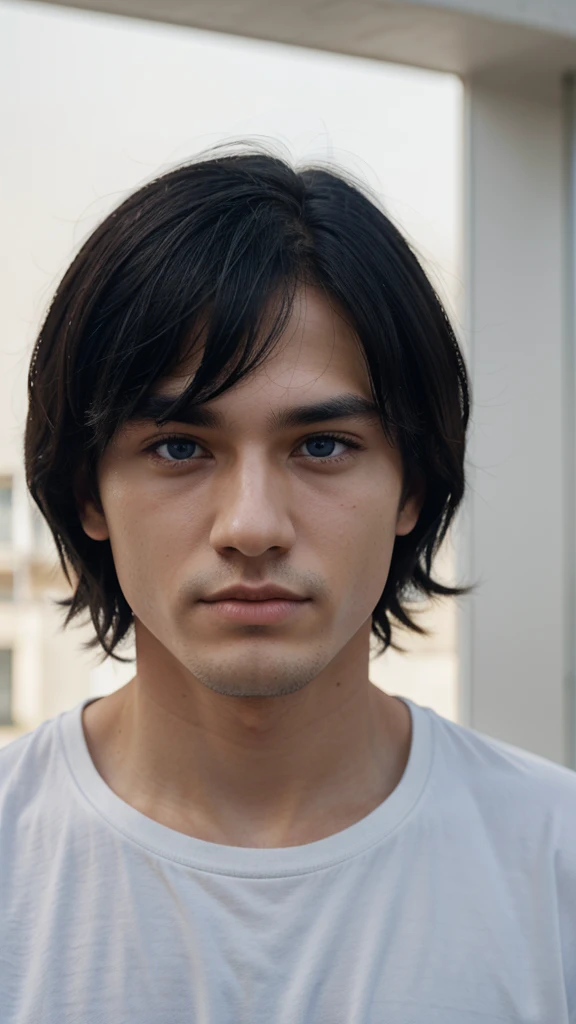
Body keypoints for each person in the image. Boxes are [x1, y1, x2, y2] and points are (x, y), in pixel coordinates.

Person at [1, 148, 574, 1023]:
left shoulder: (554, 861)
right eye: (181, 448)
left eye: (321, 447)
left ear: (412, 485)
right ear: (88, 491)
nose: (252, 526)